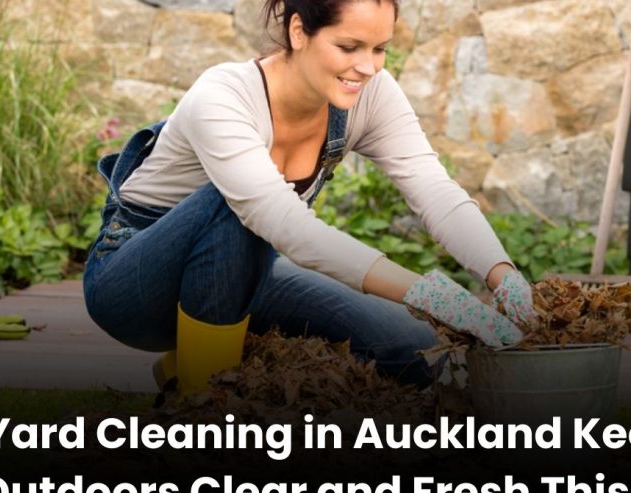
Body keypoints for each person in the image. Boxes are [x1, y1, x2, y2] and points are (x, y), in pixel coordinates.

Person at [83, 0, 538, 396]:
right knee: (235, 207)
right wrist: (426, 292)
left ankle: (192, 368)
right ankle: (204, 408)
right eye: (349, 47)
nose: (369, 67)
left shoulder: (370, 93)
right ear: (299, 31)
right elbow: (283, 222)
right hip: (135, 286)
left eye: (380, 48)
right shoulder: (223, 95)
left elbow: (431, 185)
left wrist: (501, 274)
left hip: (249, 273)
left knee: (411, 347)